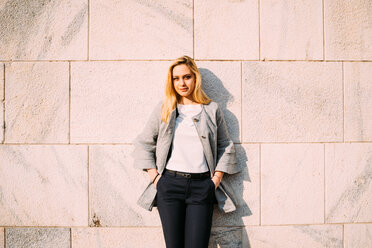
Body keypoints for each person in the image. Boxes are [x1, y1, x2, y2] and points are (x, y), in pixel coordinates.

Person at [132, 55, 241, 248]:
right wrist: (157, 179)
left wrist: (215, 181)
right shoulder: (165, 108)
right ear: (171, 81)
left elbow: (225, 145)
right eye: (176, 78)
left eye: (186, 77)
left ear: (195, 78)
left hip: (202, 187)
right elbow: (144, 143)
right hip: (169, 186)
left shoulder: (211, 109)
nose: (181, 83)